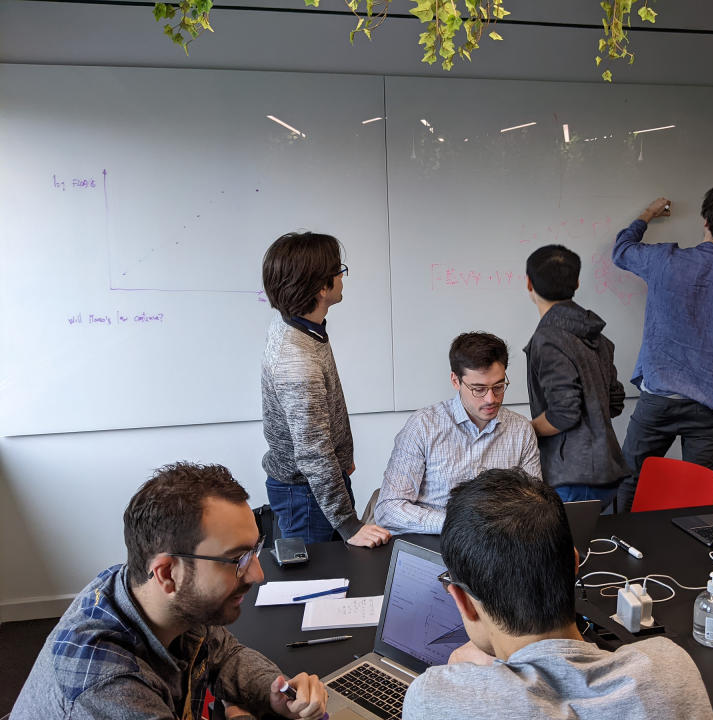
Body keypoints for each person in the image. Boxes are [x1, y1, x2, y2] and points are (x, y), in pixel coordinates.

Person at [11, 462, 328, 720]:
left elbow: (222, 653)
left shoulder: (154, 593)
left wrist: (272, 693)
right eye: (236, 559)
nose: (257, 574)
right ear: (167, 573)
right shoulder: (109, 692)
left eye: (255, 551)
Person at [402, 468, 713, 719]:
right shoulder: (672, 672)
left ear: (464, 602)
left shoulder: (435, 699)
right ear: (575, 563)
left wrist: (462, 673)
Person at [612, 185, 713, 511]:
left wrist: (648, 214)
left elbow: (622, 250)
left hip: (658, 401)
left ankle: (617, 546)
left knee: (629, 480)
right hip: (709, 409)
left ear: (704, 219)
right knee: (695, 495)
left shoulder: (663, 260)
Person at [261, 231, 390, 547]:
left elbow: (315, 424)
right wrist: (350, 526)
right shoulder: (297, 361)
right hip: (306, 495)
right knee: (316, 585)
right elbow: (313, 453)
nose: (342, 278)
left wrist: (342, 455)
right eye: (339, 271)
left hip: (316, 486)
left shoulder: (300, 325)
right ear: (322, 287)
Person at [374, 332, 541, 534]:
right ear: (455, 380)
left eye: (498, 386)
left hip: (497, 543)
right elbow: (388, 509)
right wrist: (463, 524)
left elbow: (534, 504)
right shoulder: (423, 426)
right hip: (435, 538)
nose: (491, 399)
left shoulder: (521, 430)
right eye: (478, 389)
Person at [523, 244, 631, 507]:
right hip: (605, 471)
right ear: (577, 282)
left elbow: (564, 413)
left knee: (564, 548)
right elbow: (614, 402)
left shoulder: (547, 338)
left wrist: (526, 429)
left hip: (572, 477)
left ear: (529, 284)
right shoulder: (597, 336)